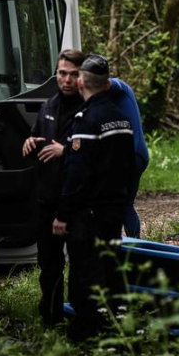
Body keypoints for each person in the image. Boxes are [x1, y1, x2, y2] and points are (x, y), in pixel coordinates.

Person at [52, 55, 134, 341]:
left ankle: (85, 334)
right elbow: (128, 165)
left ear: (80, 83)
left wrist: (62, 214)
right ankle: (113, 330)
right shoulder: (122, 119)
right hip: (114, 210)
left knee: (85, 274)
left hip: (89, 215)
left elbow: (78, 173)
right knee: (111, 270)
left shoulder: (86, 120)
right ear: (108, 84)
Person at [22, 49, 85, 327]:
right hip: (47, 198)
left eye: (73, 74)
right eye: (62, 73)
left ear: (82, 76)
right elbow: (37, 137)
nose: (67, 80)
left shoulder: (89, 109)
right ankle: (51, 318)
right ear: (56, 74)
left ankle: (81, 322)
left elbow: (97, 155)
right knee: (48, 263)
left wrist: (66, 151)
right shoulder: (48, 106)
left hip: (78, 202)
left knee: (81, 264)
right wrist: (29, 143)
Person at [109, 78, 149, 238]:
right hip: (134, 154)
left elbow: (115, 85)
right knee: (125, 205)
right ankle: (133, 244)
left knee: (116, 204)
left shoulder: (118, 87)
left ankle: (126, 245)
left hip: (131, 155)